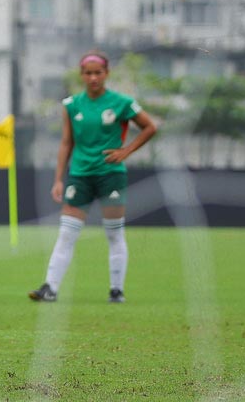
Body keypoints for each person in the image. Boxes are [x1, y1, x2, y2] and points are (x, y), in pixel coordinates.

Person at [29, 50, 157, 304]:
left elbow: (150, 127)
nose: (93, 78)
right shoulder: (72, 104)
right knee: (66, 234)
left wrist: (126, 151)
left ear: (106, 74)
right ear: (82, 76)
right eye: (88, 73)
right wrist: (58, 179)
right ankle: (50, 288)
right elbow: (67, 143)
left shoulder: (121, 102)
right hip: (80, 176)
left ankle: (116, 290)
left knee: (113, 233)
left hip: (110, 175)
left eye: (98, 73)